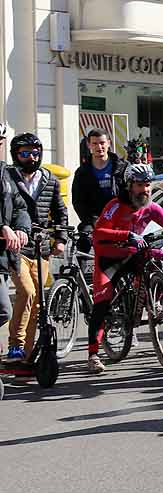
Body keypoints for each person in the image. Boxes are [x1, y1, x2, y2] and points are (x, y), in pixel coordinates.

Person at [86, 164, 163, 375]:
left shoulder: (150, 207)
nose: (145, 190)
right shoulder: (115, 205)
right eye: (140, 185)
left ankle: (154, 298)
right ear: (129, 186)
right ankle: (93, 354)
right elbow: (99, 232)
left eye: (147, 185)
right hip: (109, 258)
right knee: (102, 301)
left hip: (134, 254)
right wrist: (125, 235)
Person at [5, 132, 67, 362]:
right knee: (27, 291)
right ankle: (16, 345)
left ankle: (27, 357)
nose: (31, 157)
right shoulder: (8, 178)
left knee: (39, 301)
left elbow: (61, 212)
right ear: (15, 155)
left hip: (41, 249)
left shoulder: (49, 179)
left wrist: (60, 239)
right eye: (24, 153)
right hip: (16, 246)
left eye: (35, 152)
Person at [0, 128, 32, 361]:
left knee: (3, 310)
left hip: (2, 256)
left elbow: (20, 206)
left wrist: (21, 227)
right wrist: (2, 226)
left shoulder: (5, 173)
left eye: (0, 140)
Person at [71, 128, 124, 229]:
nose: (99, 147)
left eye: (102, 143)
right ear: (89, 145)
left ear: (108, 143)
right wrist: (93, 221)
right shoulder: (82, 172)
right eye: (95, 143)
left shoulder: (123, 168)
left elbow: (131, 196)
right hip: (94, 222)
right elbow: (78, 202)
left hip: (121, 220)